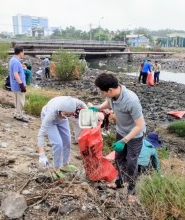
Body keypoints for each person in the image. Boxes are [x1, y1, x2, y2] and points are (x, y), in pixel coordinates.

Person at [90, 73, 146, 203]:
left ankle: (132, 191)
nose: (101, 93)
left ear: (110, 90)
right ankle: (120, 181)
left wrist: (124, 140)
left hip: (134, 135)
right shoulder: (113, 95)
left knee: (132, 163)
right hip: (121, 131)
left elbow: (140, 125)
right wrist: (98, 107)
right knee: (119, 158)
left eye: (102, 91)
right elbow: (108, 102)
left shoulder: (131, 100)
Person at [37, 96, 87, 180]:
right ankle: (56, 169)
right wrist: (41, 155)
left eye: (69, 114)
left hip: (61, 119)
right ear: (60, 111)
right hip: (51, 120)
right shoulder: (51, 113)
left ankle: (65, 165)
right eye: (66, 114)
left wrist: (88, 112)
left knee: (67, 140)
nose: (67, 116)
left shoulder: (73, 102)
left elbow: (82, 104)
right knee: (58, 143)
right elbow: (41, 134)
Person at [9, 47, 28, 122]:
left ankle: (17, 113)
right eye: (23, 52)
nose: (24, 54)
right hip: (18, 85)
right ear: (20, 52)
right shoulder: (16, 62)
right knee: (20, 100)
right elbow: (15, 73)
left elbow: (15, 71)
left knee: (17, 100)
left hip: (14, 84)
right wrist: (21, 85)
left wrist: (21, 68)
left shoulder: (13, 59)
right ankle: (19, 115)